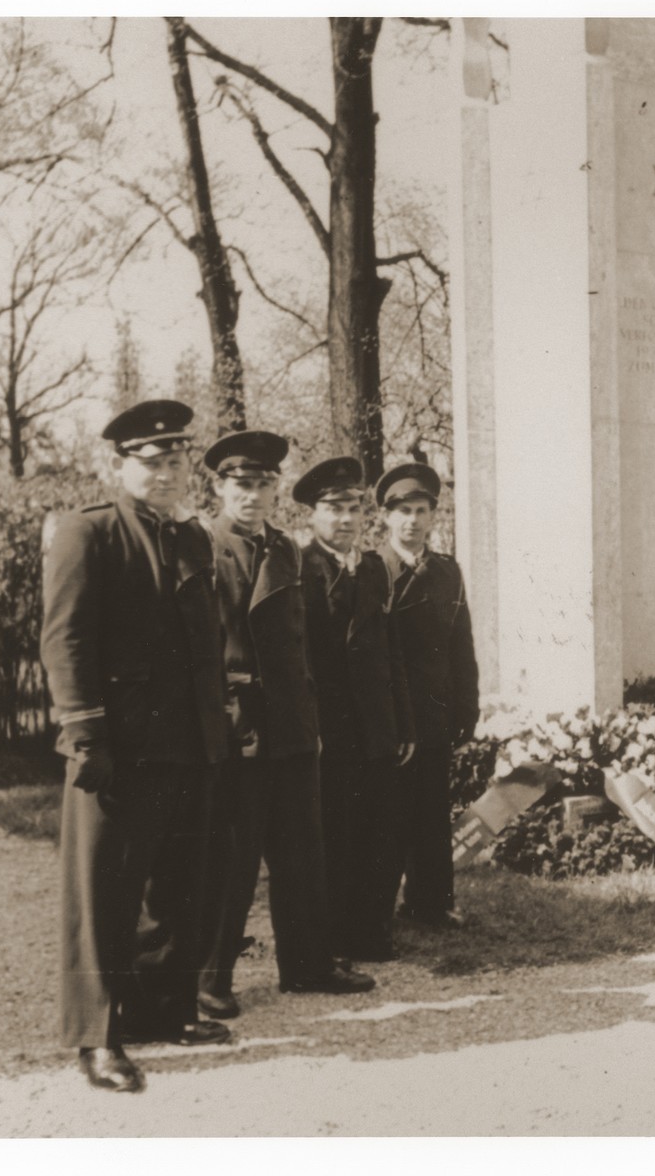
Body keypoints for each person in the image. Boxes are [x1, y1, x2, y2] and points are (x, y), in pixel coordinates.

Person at [41, 399, 231, 1093]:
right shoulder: (87, 533)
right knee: (105, 897)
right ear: (120, 466)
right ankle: (97, 1038)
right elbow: (65, 641)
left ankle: (163, 1010)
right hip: (119, 748)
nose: (167, 473)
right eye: (152, 463)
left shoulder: (191, 537)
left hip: (188, 745)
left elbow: (202, 645)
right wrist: (84, 733)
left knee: (179, 888)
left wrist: (218, 727)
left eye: (177, 461)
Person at [198, 431, 375, 1019]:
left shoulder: (285, 550)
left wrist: (310, 717)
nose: (252, 495)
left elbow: (299, 646)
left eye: (263, 484)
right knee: (233, 857)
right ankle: (212, 977)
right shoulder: (200, 546)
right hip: (236, 723)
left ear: (276, 488)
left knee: (303, 849)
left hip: (292, 722)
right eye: (240, 485)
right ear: (220, 487)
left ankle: (308, 964)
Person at [294, 457, 417, 962]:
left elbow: (392, 653)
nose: (345, 520)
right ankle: (336, 936)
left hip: (376, 728)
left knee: (381, 833)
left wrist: (403, 721)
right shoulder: (299, 567)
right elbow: (297, 658)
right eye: (332, 509)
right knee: (336, 836)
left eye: (352, 509)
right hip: (330, 731)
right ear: (312, 515)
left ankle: (372, 932)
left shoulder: (372, 568)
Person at [375, 463, 481, 929]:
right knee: (388, 816)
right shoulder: (371, 570)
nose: (412, 521)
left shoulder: (446, 572)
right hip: (391, 715)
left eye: (421, 511)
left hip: (434, 713)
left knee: (432, 813)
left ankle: (431, 903)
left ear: (433, 517)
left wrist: (466, 707)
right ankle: (377, 908)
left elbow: (462, 644)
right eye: (402, 512)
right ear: (385, 517)